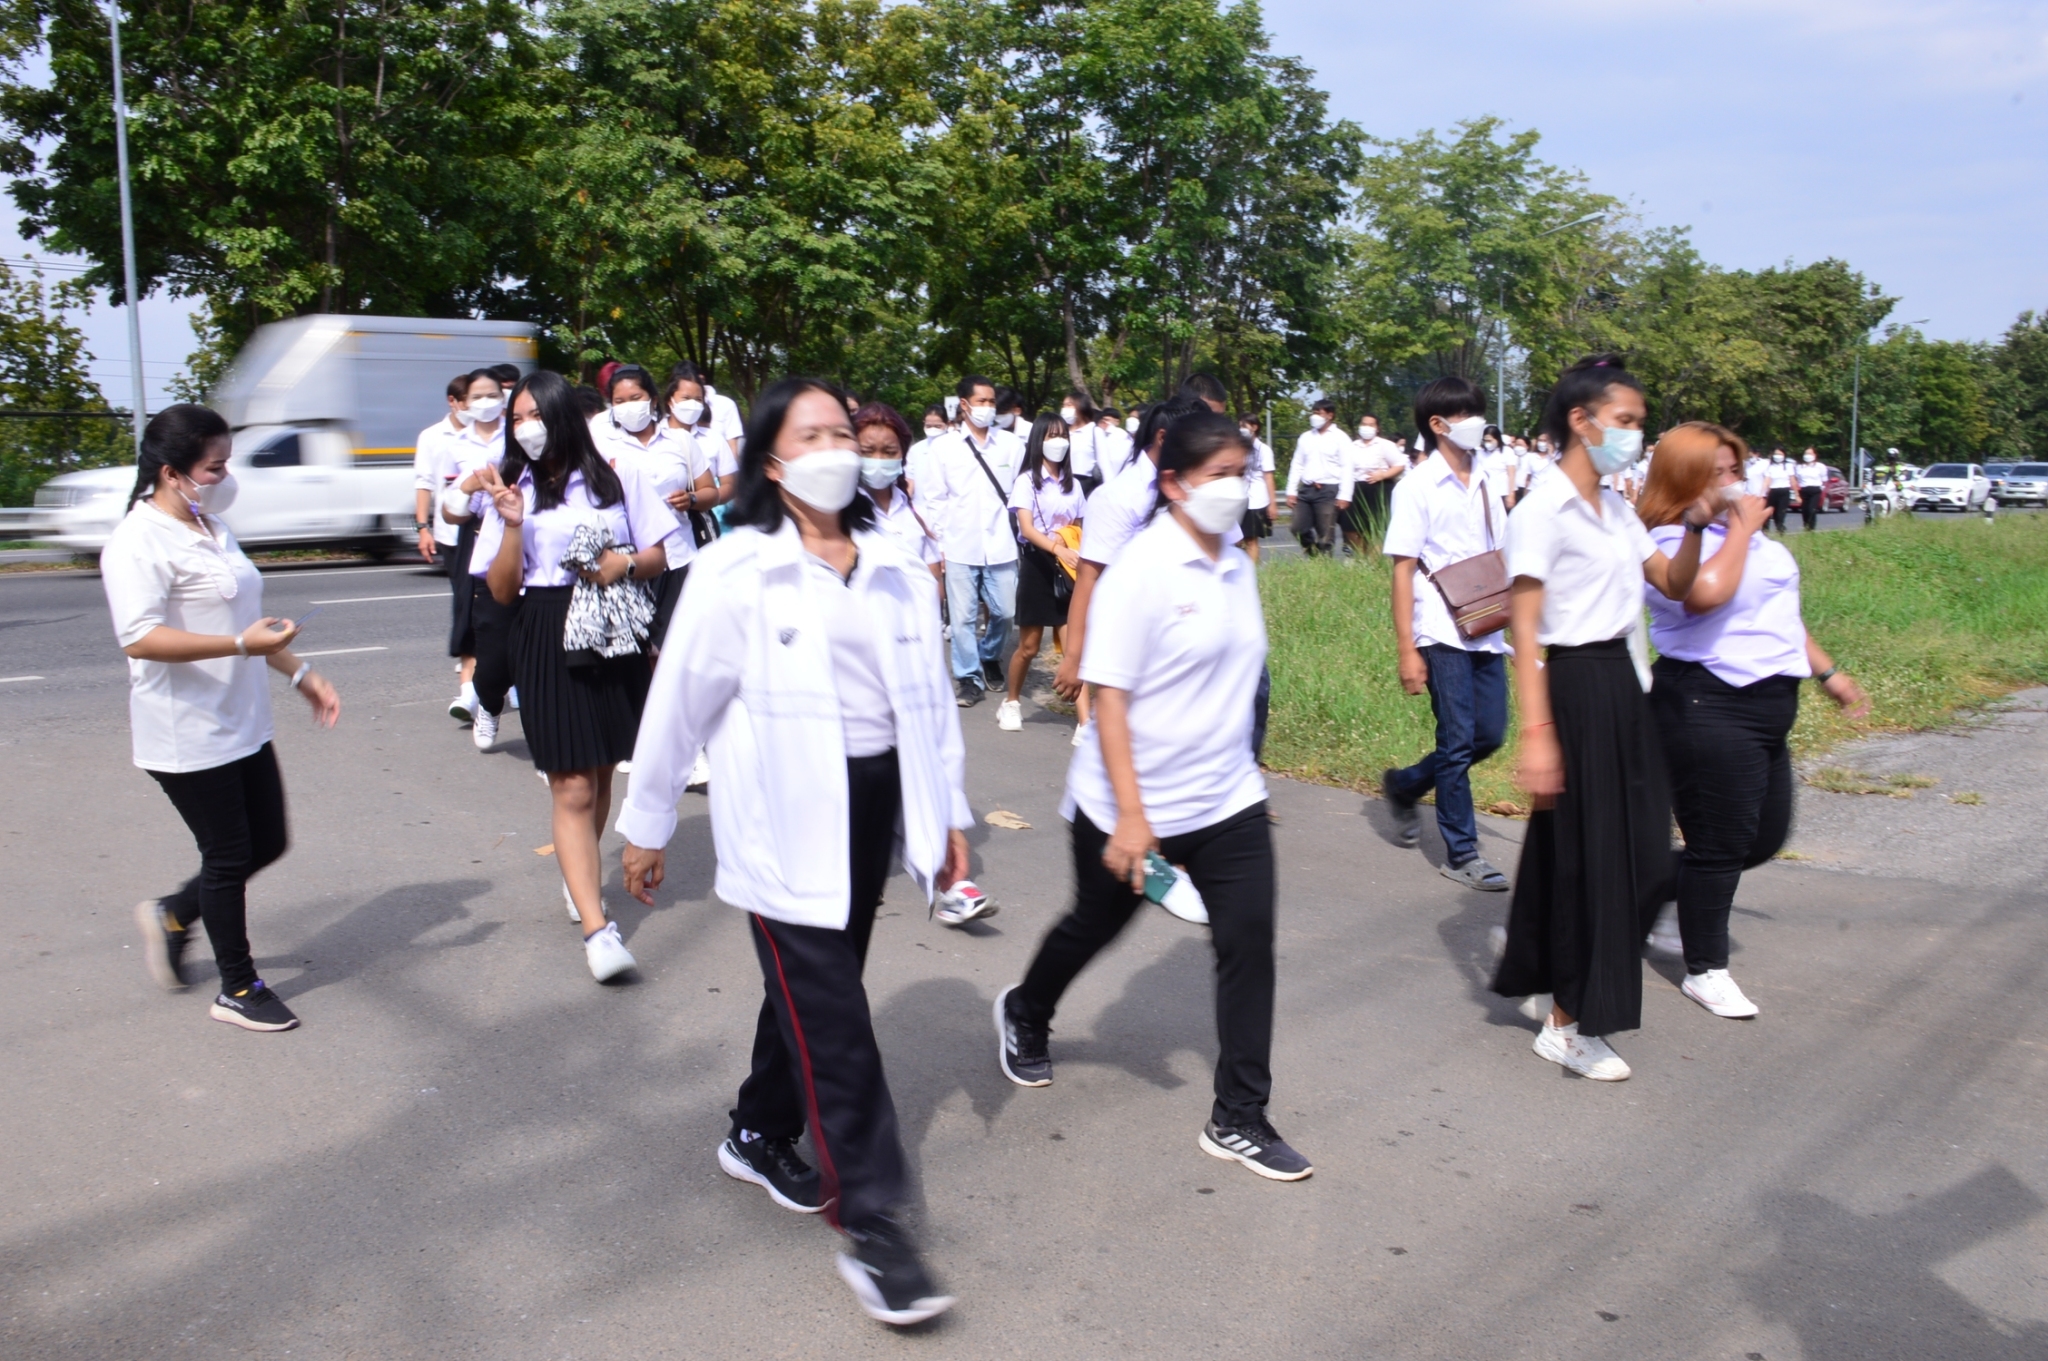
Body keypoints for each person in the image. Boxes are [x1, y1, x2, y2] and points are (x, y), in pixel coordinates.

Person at [617, 377, 970, 1327]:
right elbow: (679, 700)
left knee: (816, 990)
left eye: (843, 432)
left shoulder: (894, 561)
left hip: (871, 802)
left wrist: (948, 814)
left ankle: (757, 1130)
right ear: (771, 463)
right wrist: (647, 823)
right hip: (779, 815)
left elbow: (929, 700)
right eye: (811, 435)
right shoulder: (737, 571)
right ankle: (875, 1223)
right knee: (836, 1014)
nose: (837, 448)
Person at [997, 409, 1311, 1181]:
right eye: (1218, 475)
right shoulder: (1142, 569)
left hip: (1226, 797)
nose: (1235, 487)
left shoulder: (1236, 563)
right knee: (1095, 924)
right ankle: (1026, 1008)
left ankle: (1239, 1116)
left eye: (1242, 473)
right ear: (1172, 483)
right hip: (1126, 800)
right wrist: (1135, 817)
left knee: (1248, 943)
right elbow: (1110, 699)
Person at [1491, 354, 1713, 1082]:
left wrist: (1693, 527)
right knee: (1596, 861)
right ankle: (1568, 1023)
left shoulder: (1617, 509)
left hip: (1625, 681)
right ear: (1581, 421)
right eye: (1625, 420)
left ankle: (1547, 973)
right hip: (1574, 683)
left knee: (1641, 856)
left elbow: (1672, 584)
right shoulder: (1539, 512)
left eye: (1639, 423)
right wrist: (1537, 733)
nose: (1635, 435)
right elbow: (1525, 630)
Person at [106, 404, 342, 1033]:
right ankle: (238, 987)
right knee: (229, 855)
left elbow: (246, 624)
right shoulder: (137, 541)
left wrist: (299, 672)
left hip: (242, 718)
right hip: (185, 729)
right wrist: (240, 645)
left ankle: (171, 915)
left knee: (268, 842)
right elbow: (140, 638)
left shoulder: (209, 524)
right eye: (214, 467)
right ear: (171, 472)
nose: (225, 477)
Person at [1635, 424, 1869, 1016]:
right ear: (1682, 482)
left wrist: (1827, 672)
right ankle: (1705, 969)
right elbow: (1704, 595)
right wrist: (1737, 529)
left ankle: (1630, 891)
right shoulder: (1668, 540)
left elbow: (1779, 613)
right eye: (1715, 475)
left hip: (1769, 705)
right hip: (1706, 702)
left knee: (1761, 838)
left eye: (1735, 471)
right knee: (1719, 843)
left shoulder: (1751, 540)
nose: (1732, 484)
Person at [474, 370, 682, 982]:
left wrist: (623, 565)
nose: (525, 427)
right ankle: (598, 931)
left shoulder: (617, 474)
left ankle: (579, 872)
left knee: (598, 768)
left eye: (534, 415)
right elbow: (502, 589)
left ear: (563, 415)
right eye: (516, 418)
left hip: (612, 628)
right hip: (544, 626)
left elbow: (660, 554)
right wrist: (512, 522)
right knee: (570, 784)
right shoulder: (511, 485)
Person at [1381, 377, 1514, 892]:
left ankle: (1406, 784)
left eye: (1477, 412)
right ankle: (1463, 852)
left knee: (1489, 735)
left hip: (1485, 623)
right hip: (1440, 629)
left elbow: (1503, 553)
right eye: (1466, 415)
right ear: (1437, 425)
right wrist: (1407, 649)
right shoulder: (1416, 486)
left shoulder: (1486, 477)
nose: (1477, 423)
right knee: (1457, 740)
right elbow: (1402, 569)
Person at [923, 374, 1025, 707]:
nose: (987, 407)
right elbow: (935, 498)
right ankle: (968, 678)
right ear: (964, 405)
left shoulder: (1011, 445)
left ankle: (990, 654)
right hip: (959, 545)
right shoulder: (944, 447)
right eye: (981, 401)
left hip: (1001, 544)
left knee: (1006, 612)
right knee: (962, 619)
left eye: (991, 401)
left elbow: (1022, 492)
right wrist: (940, 544)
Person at [1001, 412, 1085, 733]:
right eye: (1051, 436)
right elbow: (1026, 528)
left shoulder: (1074, 485)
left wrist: (1066, 543)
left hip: (1067, 569)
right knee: (1029, 647)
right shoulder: (1026, 481)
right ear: (1039, 440)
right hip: (1037, 566)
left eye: (1063, 435)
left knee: (1072, 649)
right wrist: (1056, 547)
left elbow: (1079, 525)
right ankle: (1011, 702)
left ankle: (1085, 723)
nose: (1058, 442)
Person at [440, 370, 507, 727]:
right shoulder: (456, 444)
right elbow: (450, 506)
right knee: (472, 611)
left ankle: (507, 684)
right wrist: (467, 487)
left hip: (514, 528)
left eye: (492, 395)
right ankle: (470, 691)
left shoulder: (516, 435)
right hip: (475, 530)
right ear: (463, 402)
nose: (485, 403)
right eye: (477, 396)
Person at [412, 373, 470, 567]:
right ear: (452, 401)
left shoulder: (486, 434)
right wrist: (423, 529)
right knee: (460, 585)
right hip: (449, 531)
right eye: (467, 402)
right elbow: (424, 483)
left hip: (482, 529)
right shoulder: (431, 436)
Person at [1283, 398, 1354, 555]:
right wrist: (1291, 491)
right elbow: (1297, 464)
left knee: (1325, 534)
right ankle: (1313, 552)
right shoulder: (1306, 437)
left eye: (1319, 413)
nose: (1315, 416)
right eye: (1313, 413)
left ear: (1330, 415)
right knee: (1297, 527)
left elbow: (1347, 468)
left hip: (1329, 489)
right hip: (1307, 489)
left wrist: (1345, 495)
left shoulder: (1341, 438)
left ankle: (1324, 562)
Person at [1344, 412, 1404, 554]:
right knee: (1351, 526)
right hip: (1356, 488)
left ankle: (1374, 559)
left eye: (1371, 425)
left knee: (1376, 527)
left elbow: (1399, 465)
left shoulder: (1385, 445)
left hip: (1379, 488)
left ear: (1377, 428)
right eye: (1364, 424)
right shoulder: (1352, 446)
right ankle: (1361, 556)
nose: (1367, 427)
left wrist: (1383, 475)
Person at [1238, 413, 1277, 564]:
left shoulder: (1264, 450)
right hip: (1239, 497)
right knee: (1235, 538)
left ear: (1254, 427)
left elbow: (1269, 477)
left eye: (1244, 426)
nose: (1241, 429)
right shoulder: (1238, 448)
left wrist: (1272, 504)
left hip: (1256, 500)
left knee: (1251, 539)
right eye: (1239, 426)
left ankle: (1252, 570)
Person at [1764, 447, 1795, 532]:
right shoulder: (1770, 466)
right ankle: (1765, 530)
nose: (1778, 456)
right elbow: (1767, 480)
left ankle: (1780, 529)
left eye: (1780, 454)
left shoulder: (1788, 466)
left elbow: (1792, 480)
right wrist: (1764, 491)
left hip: (1784, 491)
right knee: (1768, 512)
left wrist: (1797, 494)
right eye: (1776, 454)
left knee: (1780, 513)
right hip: (1773, 491)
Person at [1796, 448, 1826, 531]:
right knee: (1804, 510)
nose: (1807, 456)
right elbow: (1797, 479)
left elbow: (1824, 479)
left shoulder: (1820, 466)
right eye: (1806, 453)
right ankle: (1806, 526)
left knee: (1811, 509)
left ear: (1814, 455)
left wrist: (1821, 488)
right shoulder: (1799, 467)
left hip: (1815, 490)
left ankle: (1812, 527)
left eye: (1810, 453)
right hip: (1804, 490)